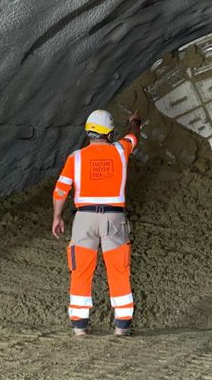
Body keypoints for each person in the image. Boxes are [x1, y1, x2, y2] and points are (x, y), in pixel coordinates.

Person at [51, 109, 141, 337]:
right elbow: (134, 135)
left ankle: (80, 327)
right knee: (119, 269)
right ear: (110, 134)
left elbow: (60, 190)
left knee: (80, 269)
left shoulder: (76, 157)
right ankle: (122, 326)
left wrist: (57, 217)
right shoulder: (121, 150)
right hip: (114, 218)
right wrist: (134, 121)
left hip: (84, 219)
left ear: (89, 133)